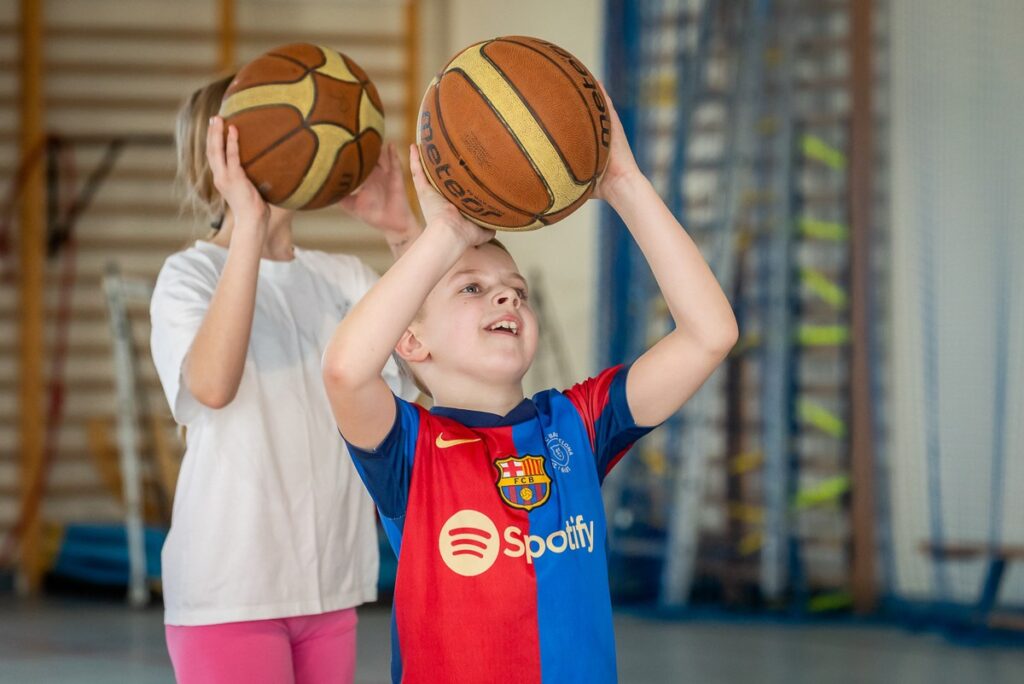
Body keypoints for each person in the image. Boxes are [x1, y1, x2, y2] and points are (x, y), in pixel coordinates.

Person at [321, 89, 739, 683]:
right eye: (472, 288)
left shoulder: (578, 423)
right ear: (410, 341)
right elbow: (345, 369)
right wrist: (445, 233)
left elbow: (710, 334)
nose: (505, 296)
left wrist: (626, 185)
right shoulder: (408, 448)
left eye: (517, 290)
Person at [150, 75, 421, 683]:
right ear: (224, 156)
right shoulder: (189, 275)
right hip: (230, 594)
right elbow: (212, 387)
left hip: (331, 588)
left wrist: (402, 231)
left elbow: (434, 360)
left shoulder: (343, 276)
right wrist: (249, 227)